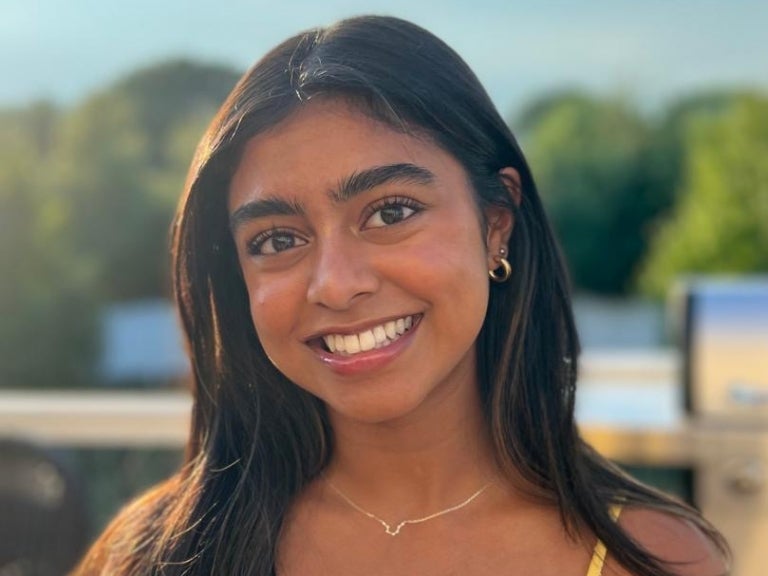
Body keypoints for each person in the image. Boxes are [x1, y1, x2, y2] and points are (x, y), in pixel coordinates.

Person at [73, 15, 730, 576]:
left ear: (495, 225)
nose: (334, 282)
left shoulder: (655, 559)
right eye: (277, 240)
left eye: (390, 212)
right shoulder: (154, 554)